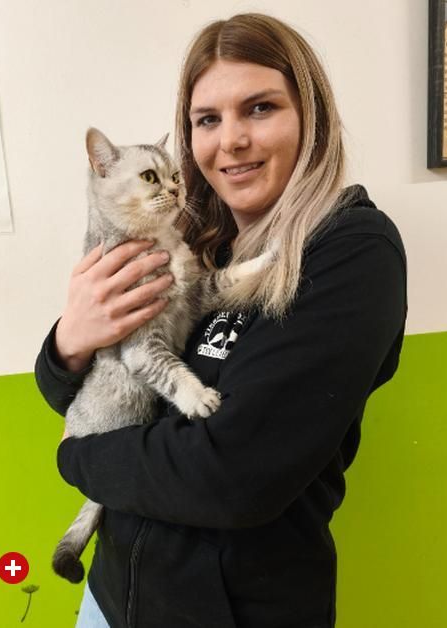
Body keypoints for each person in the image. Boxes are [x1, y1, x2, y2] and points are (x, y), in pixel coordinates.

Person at [35, 13, 407, 628]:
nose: (230, 139)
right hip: (110, 596)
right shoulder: (197, 238)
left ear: (309, 116)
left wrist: (77, 460)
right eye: (208, 119)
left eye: (260, 108)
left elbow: (228, 476)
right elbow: (77, 389)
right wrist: (69, 341)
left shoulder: (351, 250)